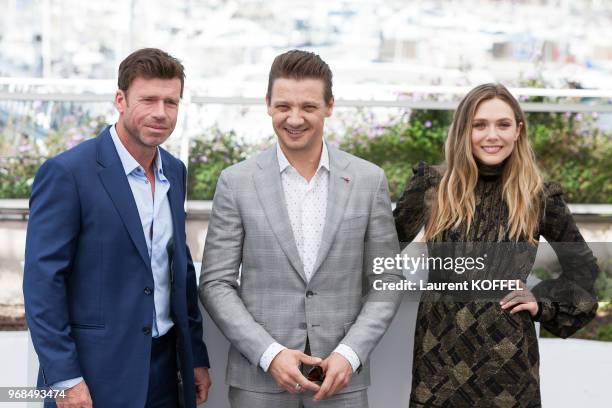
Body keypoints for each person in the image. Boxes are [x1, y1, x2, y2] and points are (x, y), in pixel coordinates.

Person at [199, 50, 403, 408]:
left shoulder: (368, 180)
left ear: (329, 106)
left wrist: (351, 354)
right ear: (267, 105)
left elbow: (387, 280)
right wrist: (269, 354)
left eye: (308, 107)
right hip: (258, 383)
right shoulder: (236, 182)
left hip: (341, 381)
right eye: (283, 106)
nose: (294, 119)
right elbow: (215, 283)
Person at [23, 48, 211, 408]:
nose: (161, 112)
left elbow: (178, 271)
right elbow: (43, 284)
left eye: (171, 102)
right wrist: (65, 379)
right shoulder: (67, 173)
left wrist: (196, 356)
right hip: (92, 377)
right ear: (120, 100)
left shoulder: (175, 171)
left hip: (165, 371)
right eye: (148, 100)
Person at [394, 83, 599, 407]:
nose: (492, 135)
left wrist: (542, 302)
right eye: (480, 125)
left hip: (509, 367)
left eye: (503, 124)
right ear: (463, 130)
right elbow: (381, 250)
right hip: (439, 363)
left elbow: (583, 270)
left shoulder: (539, 197)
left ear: (518, 130)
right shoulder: (431, 186)